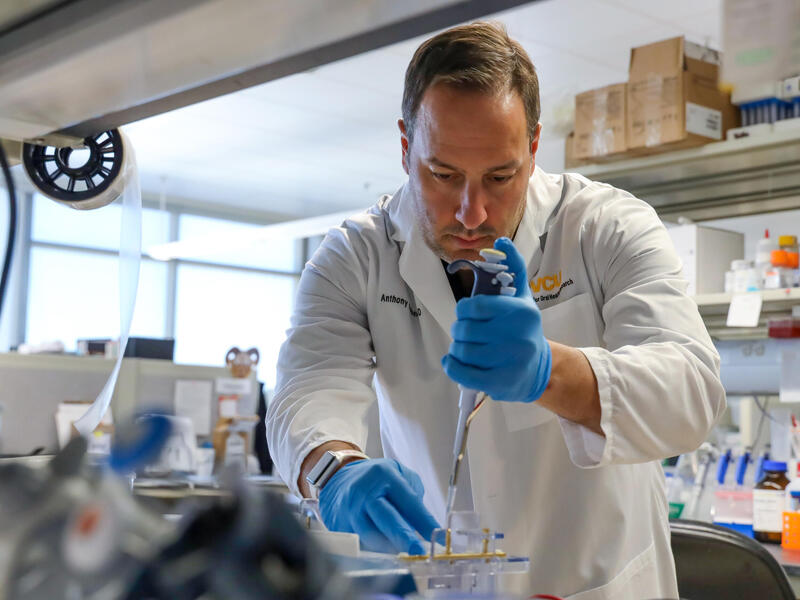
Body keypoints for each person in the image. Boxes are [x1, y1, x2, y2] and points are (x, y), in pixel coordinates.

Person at [266, 21, 725, 599]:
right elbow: (307, 390)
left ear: (533, 148)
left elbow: (692, 393)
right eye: (443, 175)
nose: (472, 212)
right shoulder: (355, 255)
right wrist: (335, 471)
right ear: (406, 147)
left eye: (500, 177)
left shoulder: (608, 227)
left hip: (596, 582)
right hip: (444, 583)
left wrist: (550, 372)